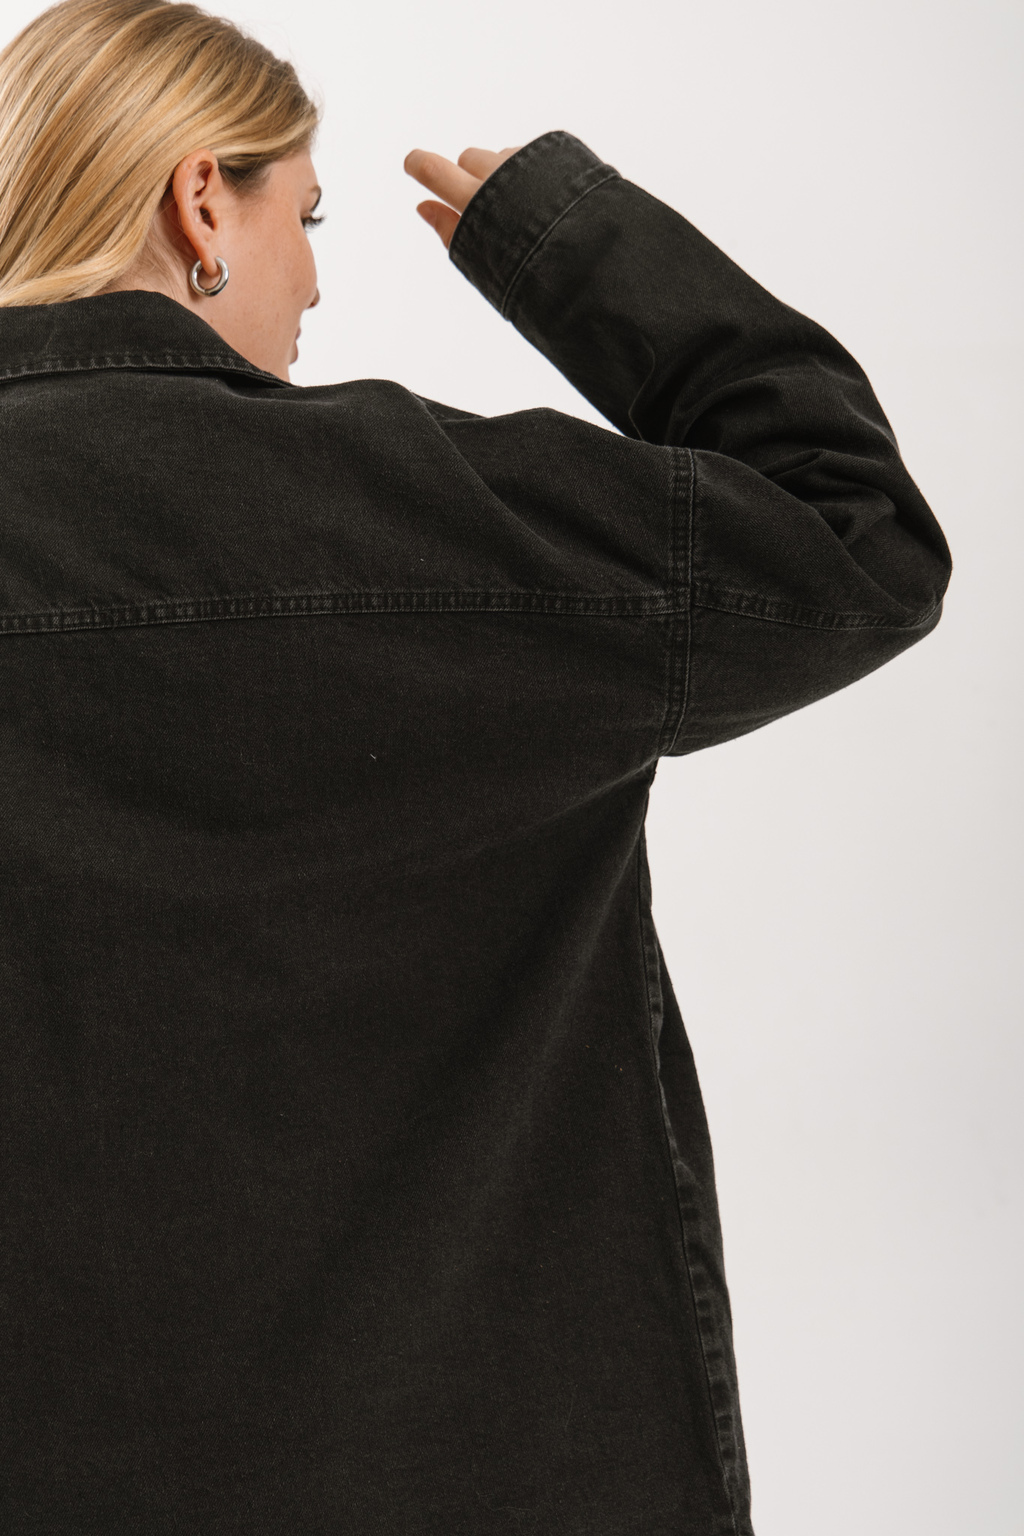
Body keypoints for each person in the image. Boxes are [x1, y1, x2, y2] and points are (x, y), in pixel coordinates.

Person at [0, 1, 951, 1532]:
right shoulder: (435, 515)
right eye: (306, 217)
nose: (317, 281)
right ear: (200, 204)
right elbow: (854, 538)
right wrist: (563, 245)